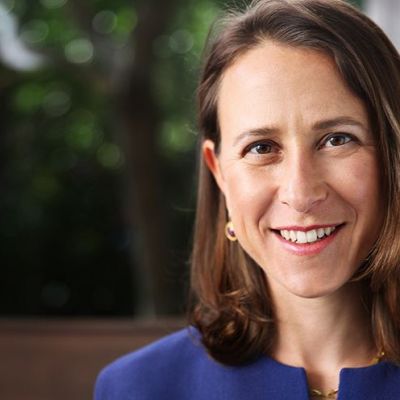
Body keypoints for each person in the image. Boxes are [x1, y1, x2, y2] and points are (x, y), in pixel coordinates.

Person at [94, 0, 400, 399]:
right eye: (261, 148)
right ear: (219, 172)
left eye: (337, 139)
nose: (300, 193)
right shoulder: (137, 389)